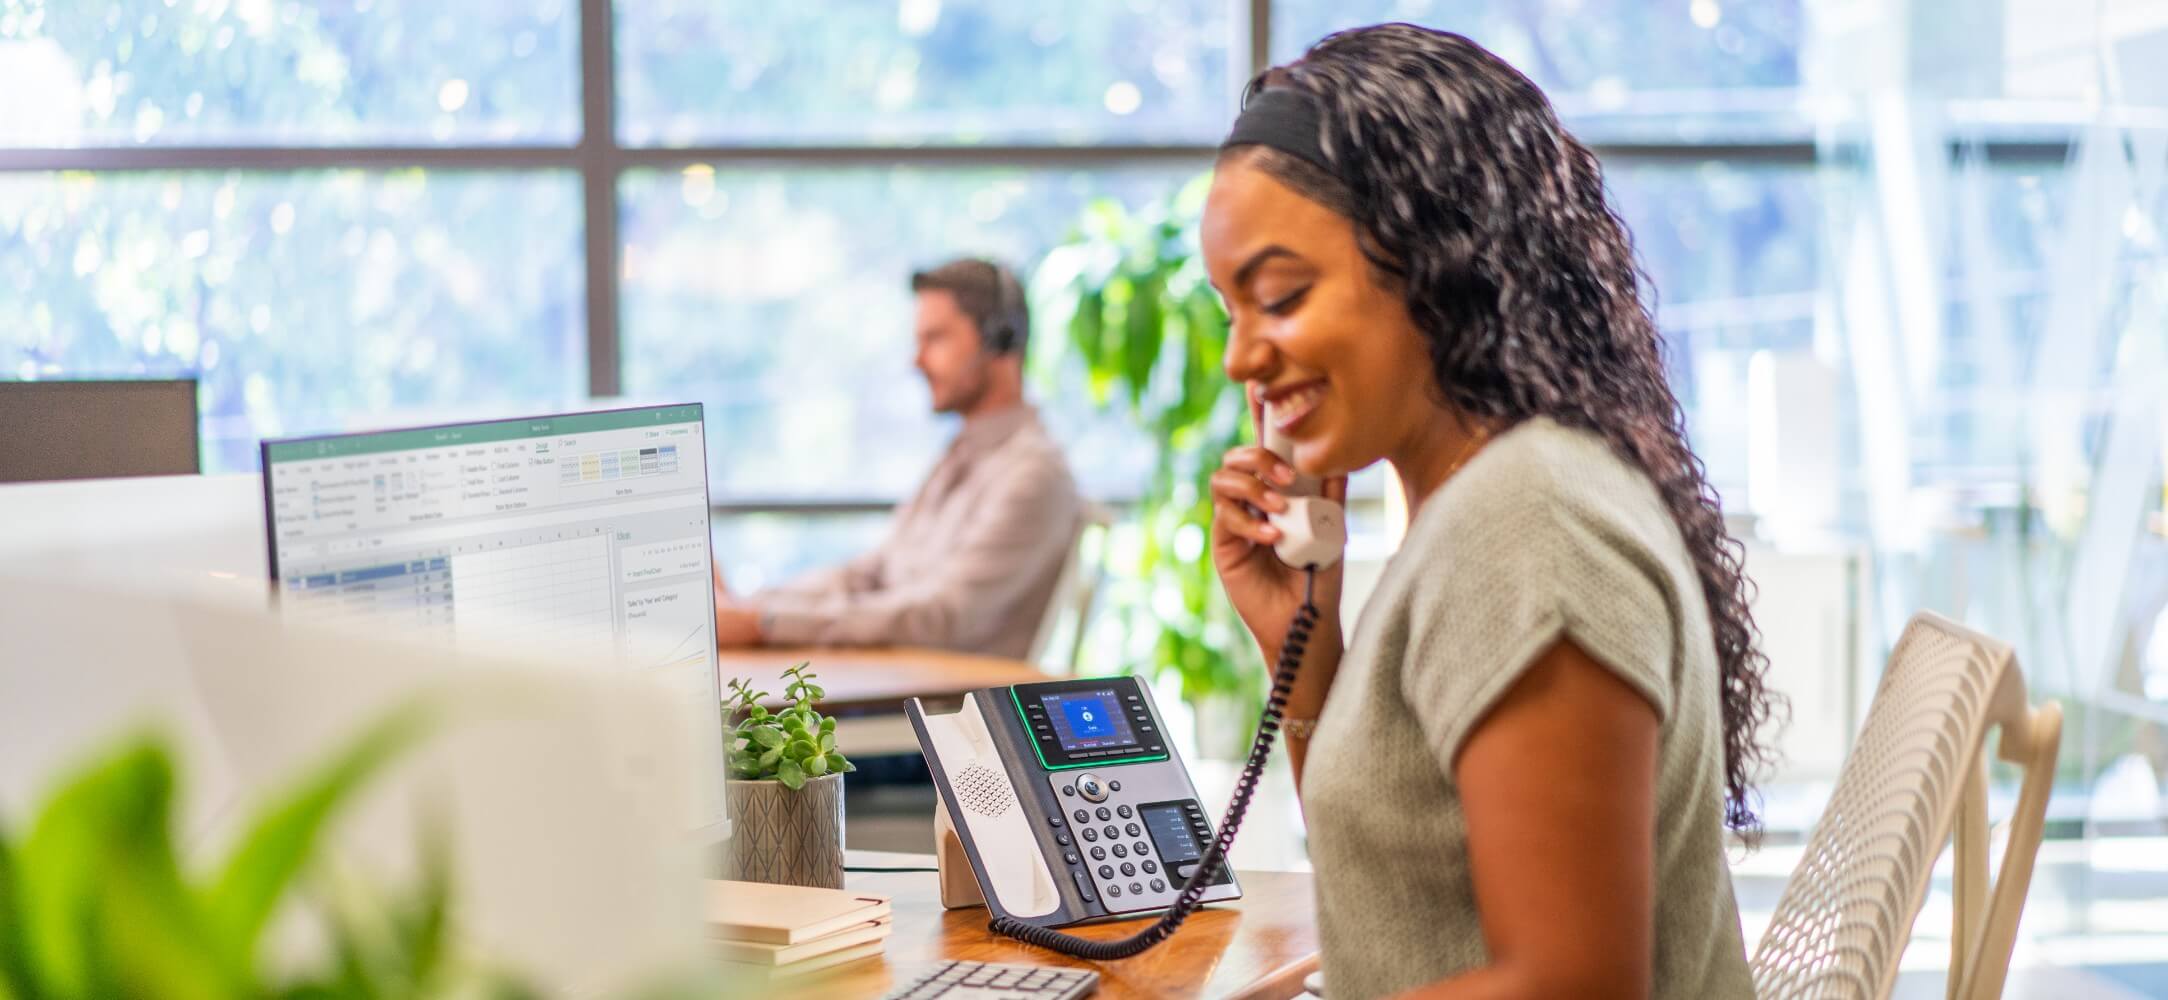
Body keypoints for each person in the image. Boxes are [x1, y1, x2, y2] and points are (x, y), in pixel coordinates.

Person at [1203, 25, 1779, 1000]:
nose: (1240, 358)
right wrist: (1299, 633)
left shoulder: (1524, 527)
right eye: (1232, 311)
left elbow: (1570, 986)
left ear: (1433, 257)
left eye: (1282, 297)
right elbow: (1397, 874)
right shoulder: (1483, 501)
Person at [712, 257, 1082, 659]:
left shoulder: (1032, 474)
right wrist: (752, 606)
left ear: (1000, 340)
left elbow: (939, 617)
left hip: (947, 700)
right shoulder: (963, 454)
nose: (916, 360)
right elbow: (872, 573)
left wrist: (762, 623)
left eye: (935, 339)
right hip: (902, 678)